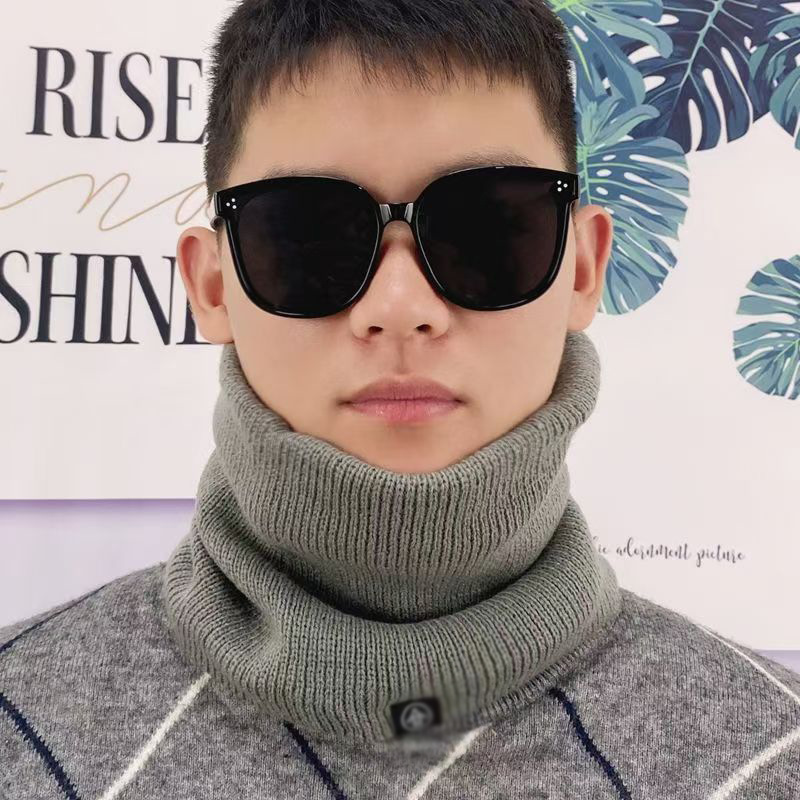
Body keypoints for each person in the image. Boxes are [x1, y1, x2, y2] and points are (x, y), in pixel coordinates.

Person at [2, 0, 799, 797]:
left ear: (583, 270)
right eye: (308, 233)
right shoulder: (19, 718)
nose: (398, 306)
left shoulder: (773, 752)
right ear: (212, 286)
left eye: (487, 229)